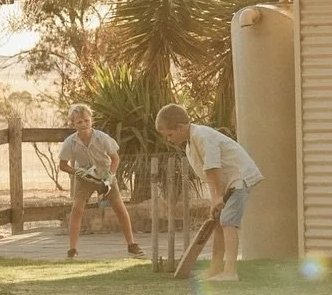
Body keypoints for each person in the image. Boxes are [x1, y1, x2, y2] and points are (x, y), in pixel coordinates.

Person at [154, 102, 262, 281]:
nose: (169, 139)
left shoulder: (202, 136)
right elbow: (209, 173)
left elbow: (214, 167)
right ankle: (215, 268)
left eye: (170, 134)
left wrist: (217, 196)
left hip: (240, 178)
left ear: (180, 127)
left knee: (228, 221)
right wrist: (215, 198)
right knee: (218, 222)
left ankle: (230, 272)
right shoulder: (190, 143)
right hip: (229, 182)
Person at [57, 103, 144, 260]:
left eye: (86, 120)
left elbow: (115, 158)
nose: (83, 124)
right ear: (73, 124)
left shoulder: (102, 138)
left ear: (91, 121)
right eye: (79, 122)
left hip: (105, 175)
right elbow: (63, 165)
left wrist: (111, 175)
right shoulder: (70, 142)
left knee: (119, 207)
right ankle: (72, 250)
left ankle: (132, 245)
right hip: (84, 177)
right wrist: (77, 171)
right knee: (77, 209)